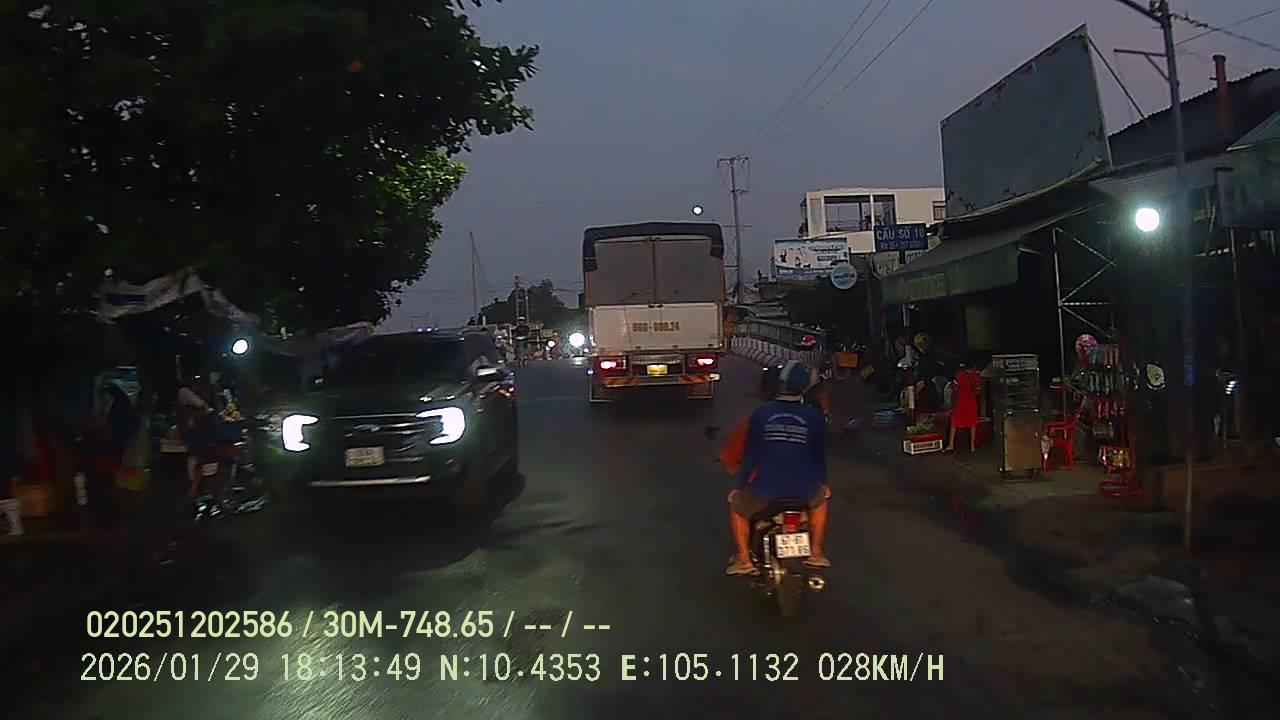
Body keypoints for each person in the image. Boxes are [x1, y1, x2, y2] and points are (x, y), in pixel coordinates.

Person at [726, 361, 831, 576]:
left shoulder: (761, 414)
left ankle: (744, 561)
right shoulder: (814, 417)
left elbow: (751, 455)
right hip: (804, 492)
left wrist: (738, 487)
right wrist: (823, 484)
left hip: (765, 492)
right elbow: (818, 456)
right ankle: (816, 553)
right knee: (820, 503)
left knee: (737, 508)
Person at [947, 361, 982, 453]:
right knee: (972, 423)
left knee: (954, 422)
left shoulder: (959, 375)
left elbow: (954, 388)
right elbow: (978, 390)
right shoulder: (976, 376)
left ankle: (951, 445)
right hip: (971, 402)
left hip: (960, 401)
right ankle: (972, 446)